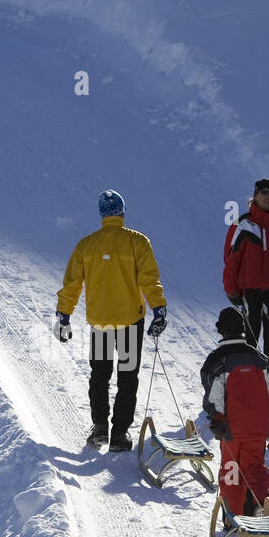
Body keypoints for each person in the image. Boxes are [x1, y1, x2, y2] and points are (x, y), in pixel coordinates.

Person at [55, 190, 168, 452]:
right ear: (122, 212)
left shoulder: (87, 245)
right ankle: (119, 434)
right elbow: (149, 280)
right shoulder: (137, 242)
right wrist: (159, 308)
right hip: (129, 322)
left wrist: (64, 315)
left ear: (101, 214)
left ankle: (99, 428)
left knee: (100, 374)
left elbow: (72, 284)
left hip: (101, 323)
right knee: (127, 375)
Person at [200, 307, 269, 522]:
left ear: (220, 330)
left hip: (231, 429)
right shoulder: (260, 359)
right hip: (258, 427)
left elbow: (214, 394)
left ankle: (232, 516)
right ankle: (259, 506)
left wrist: (216, 419)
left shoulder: (217, 361)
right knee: (254, 467)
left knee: (232, 469)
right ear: (244, 329)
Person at [223, 178, 269, 369]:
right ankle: (246, 370)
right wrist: (231, 288)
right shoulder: (242, 224)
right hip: (248, 287)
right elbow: (231, 259)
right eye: (264, 193)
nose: (267, 197)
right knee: (251, 329)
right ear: (255, 195)